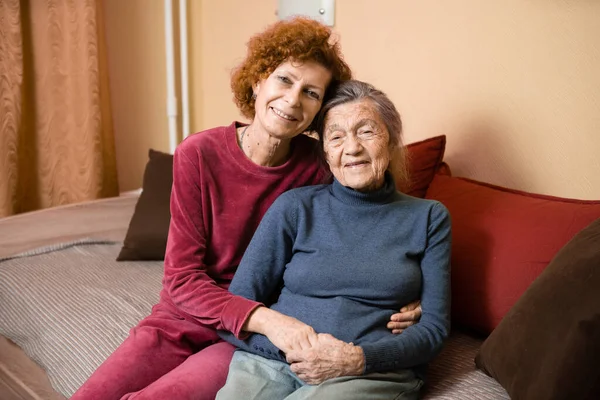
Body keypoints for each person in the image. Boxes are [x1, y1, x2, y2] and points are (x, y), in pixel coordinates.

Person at [71, 19, 421, 400]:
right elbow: (181, 279)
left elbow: (374, 218)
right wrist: (270, 320)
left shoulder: (322, 165)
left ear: (319, 111)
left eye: (311, 93)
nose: (293, 100)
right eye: (284, 80)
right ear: (257, 81)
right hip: (186, 317)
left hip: (250, 336)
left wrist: (412, 292)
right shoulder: (198, 154)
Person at [216, 80, 452, 400]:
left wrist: (356, 360)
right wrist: (292, 350)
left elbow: (434, 331)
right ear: (326, 153)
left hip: (369, 371)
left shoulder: (428, 217)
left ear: (393, 140)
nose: (351, 147)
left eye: (366, 131)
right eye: (336, 137)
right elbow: (233, 311)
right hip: (271, 361)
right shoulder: (295, 207)